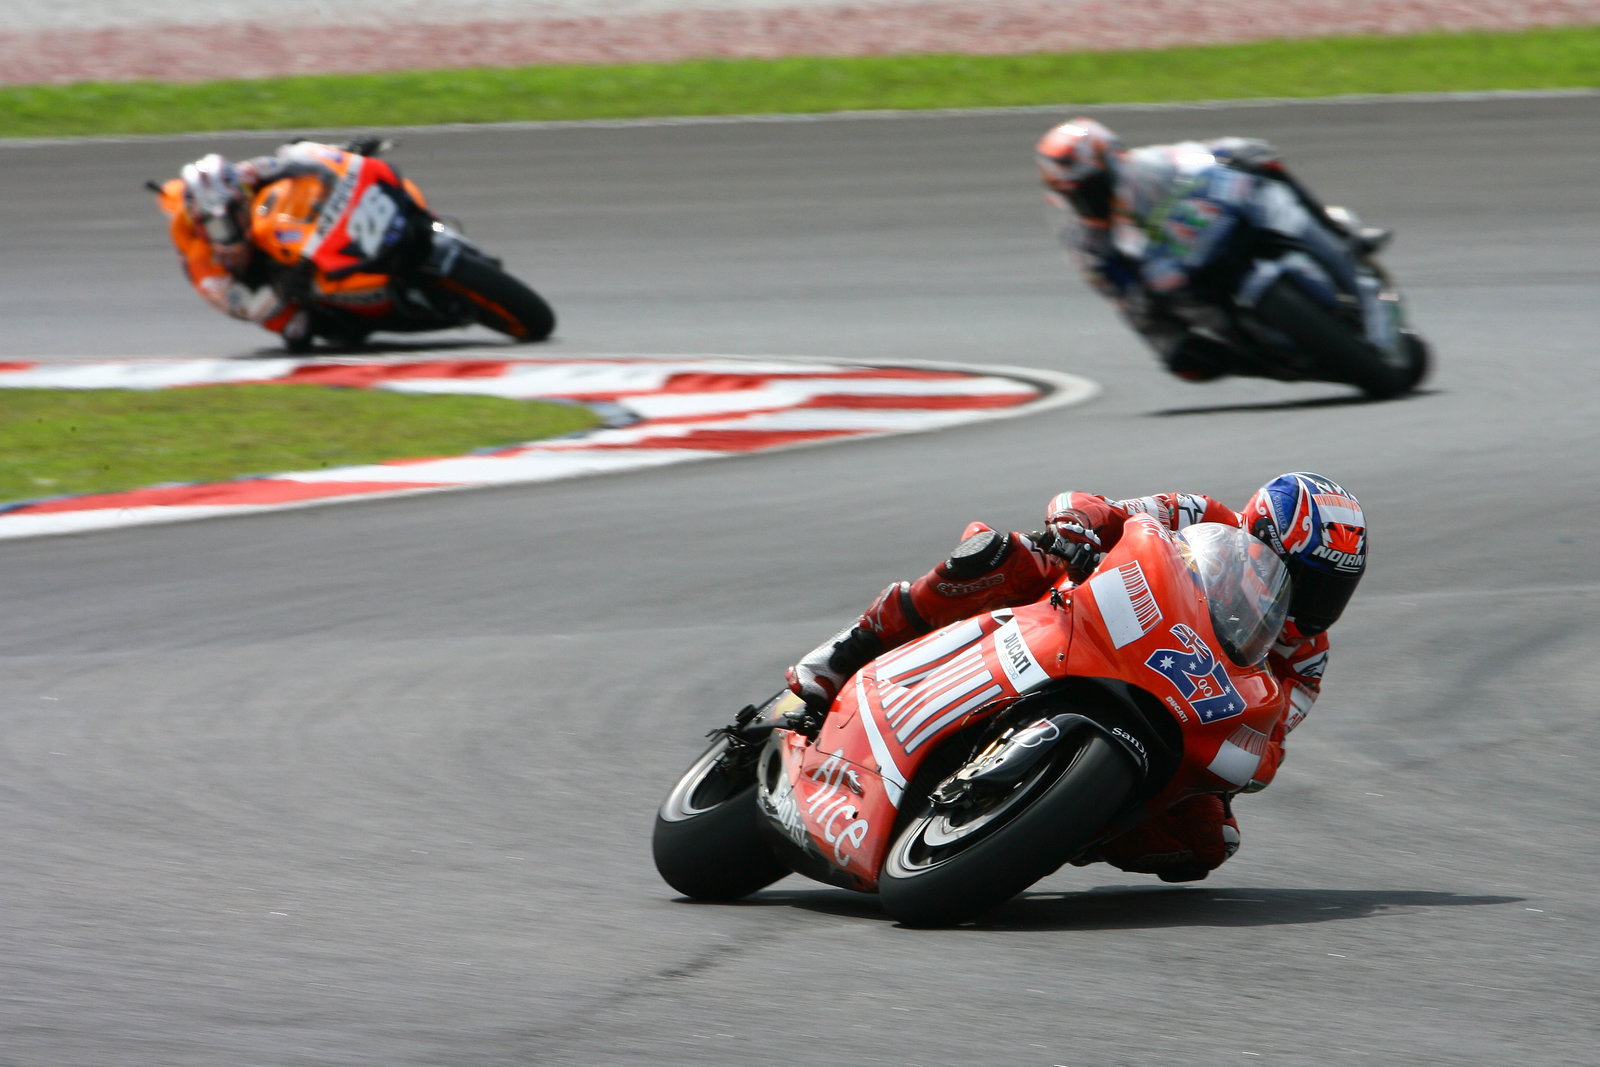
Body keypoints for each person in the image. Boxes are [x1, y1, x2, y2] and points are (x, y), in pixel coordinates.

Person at [785, 472, 1366, 883]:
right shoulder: (1203, 514)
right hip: (1089, 610)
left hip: (1176, 694)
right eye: (1305, 581)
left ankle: (1055, 824)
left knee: (1206, 842)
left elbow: (1270, 732)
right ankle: (848, 651)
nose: (1312, 605)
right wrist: (1076, 526)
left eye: (1333, 591)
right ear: (1258, 536)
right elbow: (1096, 505)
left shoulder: (1306, 657)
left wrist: (1240, 759)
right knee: (1002, 555)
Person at [1034, 117, 1395, 383]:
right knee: (1193, 358)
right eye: (1074, 194)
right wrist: (1168, 345)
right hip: (1180, 278)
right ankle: (1271, 357)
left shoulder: (1151, 165)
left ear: (1114, 161)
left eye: (1091, 187)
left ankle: (1343, 236)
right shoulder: (1084, 243)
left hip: (1220, 226)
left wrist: (1232, 151)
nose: (1086, 200)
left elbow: (1202, 155)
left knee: (1267, 172)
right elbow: (1124, 302)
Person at [157, 140, 371, 352]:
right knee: (293, 327)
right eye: (217, 227)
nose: (230, 228)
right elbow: (239, 306)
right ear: (201, 227)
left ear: (241, 195)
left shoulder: (243, 175)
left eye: (234, 215)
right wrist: (283, 292)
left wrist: (339, 159)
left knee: (295, 148)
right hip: (240, 279)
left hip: (262, 216)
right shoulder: (201, 259)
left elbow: (292, 164)